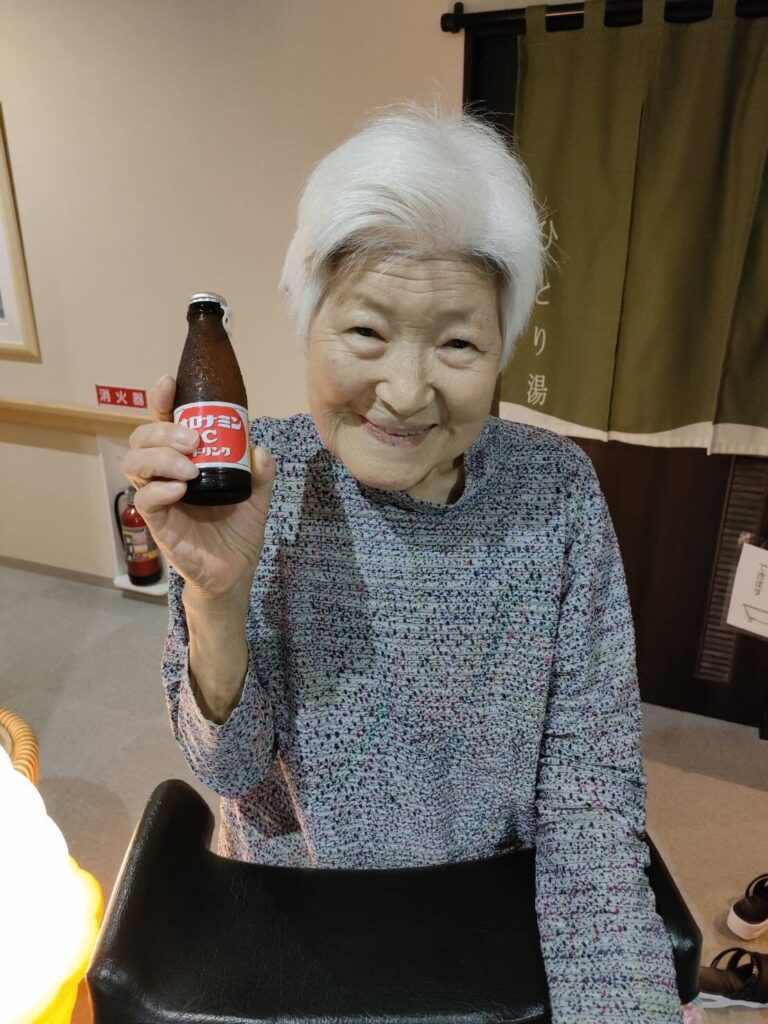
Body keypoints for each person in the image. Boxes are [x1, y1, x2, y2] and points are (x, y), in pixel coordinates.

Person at [122, 102, 688, 1023]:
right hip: (299, 931)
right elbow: (228, 772)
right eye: (367, 333)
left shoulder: (554, 492)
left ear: (500, 349)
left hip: (486, 926)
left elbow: (591, 796)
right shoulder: (256, 478)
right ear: (310, 322)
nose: (406, 390)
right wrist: (214, 600)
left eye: (457, 342)